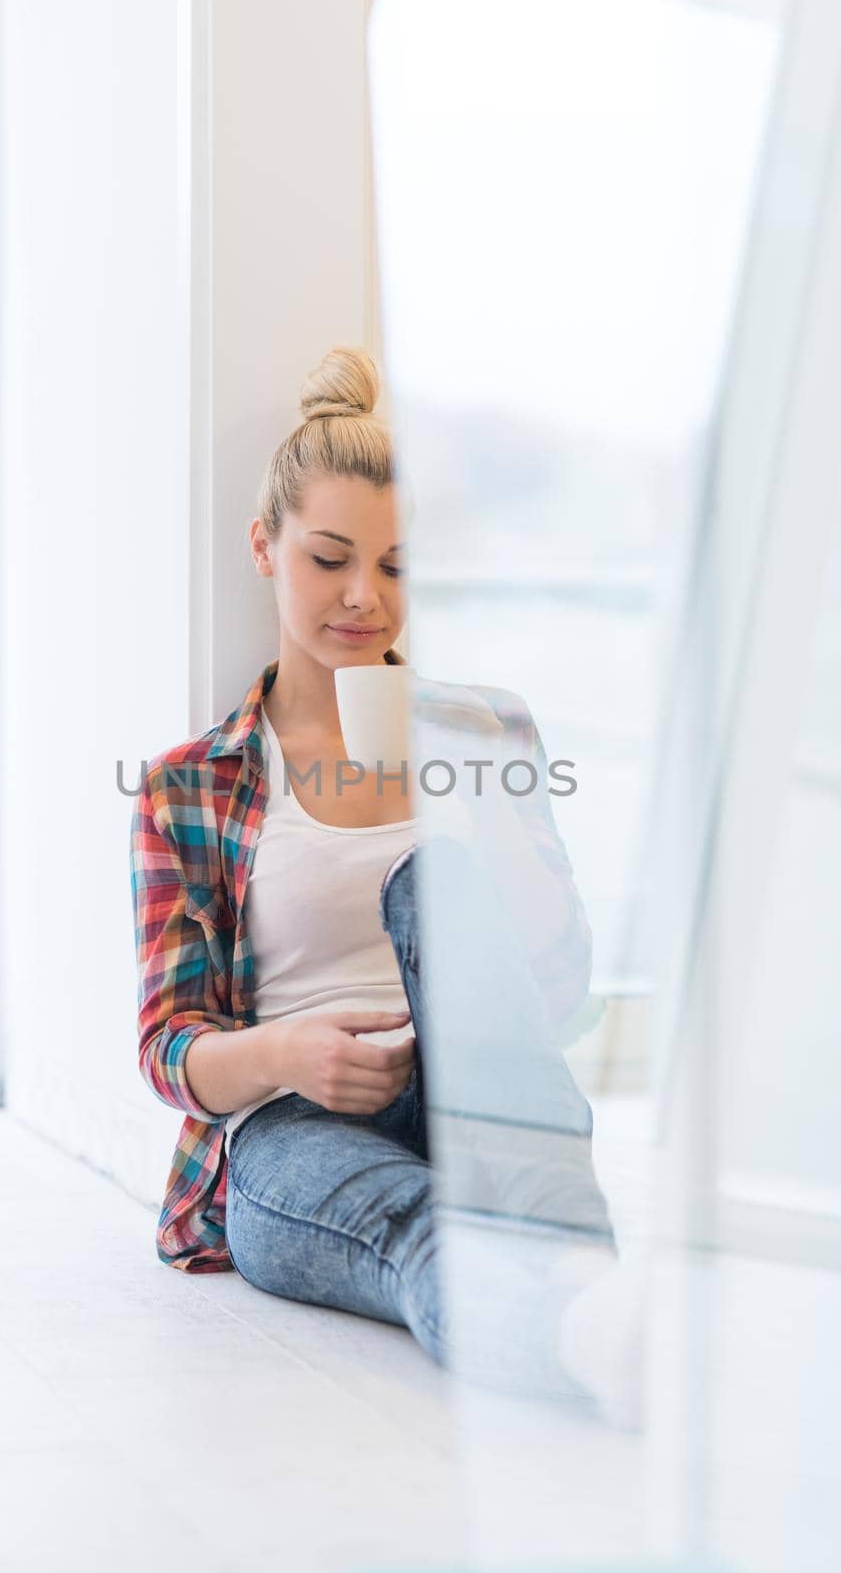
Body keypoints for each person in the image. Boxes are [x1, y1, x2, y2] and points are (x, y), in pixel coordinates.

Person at [129, 346, 642, 1426]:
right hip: (292, 1123)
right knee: (422, 1227)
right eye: (330, 558)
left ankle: (588, 1280)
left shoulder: (486, 728)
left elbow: (561, 993)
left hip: (485, 1093)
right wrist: (287, 1053)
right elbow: (168, 1046)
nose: (366, 599)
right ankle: (589, 1325)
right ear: (266, 547)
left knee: (434, 880)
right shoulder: (194, 784)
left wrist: (483, 801)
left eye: (401, 567)